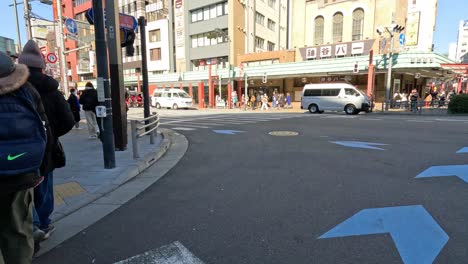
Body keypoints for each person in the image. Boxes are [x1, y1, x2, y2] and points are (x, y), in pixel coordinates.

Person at [18, 40, 75, 245]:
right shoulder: (52, 90)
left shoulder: (13, 88)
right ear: (42, 66)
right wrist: (51, 136)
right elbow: (68, 121)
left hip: (17, 151)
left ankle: (29, 227)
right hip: (46, 151)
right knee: (44, 188)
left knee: (21, 190)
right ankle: (43, 224)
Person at [0, 50, 48, 262]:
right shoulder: (27, 90)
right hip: (21, 176)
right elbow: (44, 131)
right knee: (19, 232)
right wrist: (39, 170)